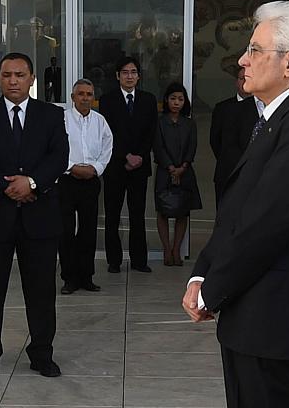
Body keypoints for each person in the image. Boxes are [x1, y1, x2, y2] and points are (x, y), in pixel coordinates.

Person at [183, 1, 289, 408]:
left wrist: (212, 290)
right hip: (254, 312)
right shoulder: (279, 113)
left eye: (255, 49)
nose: (242, 59)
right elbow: (239, 208)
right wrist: (201, 274)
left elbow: (267, 221)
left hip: (273, 313)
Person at [0, 53, 68, 379]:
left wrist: (32, 182)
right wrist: (9, 187)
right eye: (7, 75)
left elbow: (59, 156)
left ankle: (41, 354)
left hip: (40, 218)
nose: (13, 81)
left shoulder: (51, 115)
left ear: (32, 78)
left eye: (20, 75)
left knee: (41, 293)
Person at [99, 57, 158, 274]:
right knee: (112, 214)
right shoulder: (107, 100)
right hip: (116, 166)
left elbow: (151, 131)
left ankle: (139, 261)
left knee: (137, 214)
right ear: (117, 76)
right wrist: (125, 156)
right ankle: (113, 261)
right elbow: (107, 134)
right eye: (125, 72)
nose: (129, 76)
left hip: (140, 166)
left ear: (139, 76)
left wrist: (140, 155)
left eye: (133, 72)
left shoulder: (148, 100)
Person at [59, 79, 111, 294]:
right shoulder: (61, 120)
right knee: (66, 230)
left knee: (89, 230)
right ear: (73, 97)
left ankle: (86, 276)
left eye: (89, 94)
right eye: (81, 94)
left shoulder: (100, 121)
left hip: (90, 181)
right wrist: (71, 168)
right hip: (66, 180)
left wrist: (95, 169)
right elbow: (54, 148)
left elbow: (107, 147)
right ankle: (69, 278)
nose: (85, 98)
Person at [153, 82, 200, 267]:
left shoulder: (189, 123)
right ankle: (166, 249)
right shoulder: (160, 122)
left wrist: (183, 166)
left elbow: (192, 146)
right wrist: (171, 167)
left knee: (183, 211)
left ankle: (176, 249)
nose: (176, 102)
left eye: (180, 99)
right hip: (165, 171)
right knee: (163, 210)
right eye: (173, 98)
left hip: (185, 171)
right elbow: (158, 146)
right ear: (166, 100)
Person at [209, 68, 258, 205]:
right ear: (236, 82)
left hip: (252, 175)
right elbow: (215, 141)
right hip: (226, 172)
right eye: (242, 78)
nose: (245, 81)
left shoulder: (263, 108)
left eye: (248, 78)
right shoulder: (222, 108)